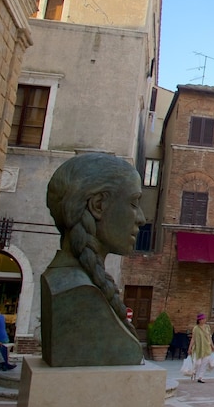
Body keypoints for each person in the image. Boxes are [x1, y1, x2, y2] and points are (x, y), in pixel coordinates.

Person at [41, 153, 146, 366]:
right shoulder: (77, 290)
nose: (142, 219)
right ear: (98, 205)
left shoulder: (69, 282)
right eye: (134, 203)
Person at [187, 313, 214, 383]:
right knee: (197, 363)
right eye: (202, 319)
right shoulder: (196, 328)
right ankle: (194, 372)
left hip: (207, 347)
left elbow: (209, 337)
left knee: (204, 363)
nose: (204, 320)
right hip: (198, 347)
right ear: (199, 320)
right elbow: (193, 339)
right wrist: (190, 348)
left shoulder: (207, 327)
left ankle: (200, 377)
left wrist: (212, 345)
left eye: (204, 319)